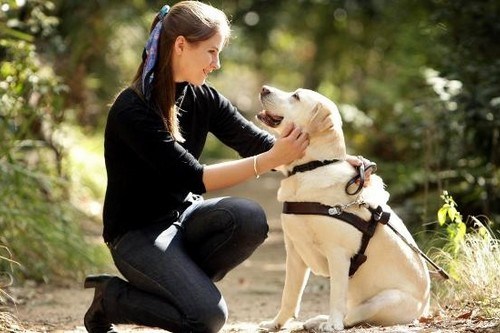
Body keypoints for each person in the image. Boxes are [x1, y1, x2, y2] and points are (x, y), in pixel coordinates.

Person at [83, 2, 367, 332]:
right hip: (136, 235)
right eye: (211, 52)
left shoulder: (204, 98)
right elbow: (194, 176)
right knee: (206, 318)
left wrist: (330, 159)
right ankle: (111, 299)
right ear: (180, 46)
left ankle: (180, 284)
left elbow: (256, 142)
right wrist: (270, 160)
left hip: (184, 219)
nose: (216, 64)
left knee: (248, 218)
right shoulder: (132, 109)